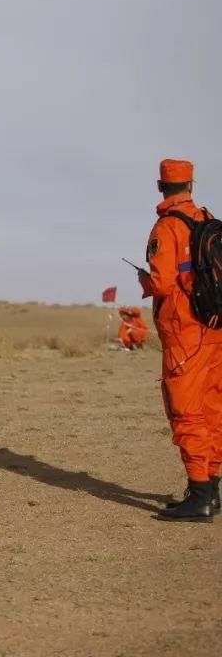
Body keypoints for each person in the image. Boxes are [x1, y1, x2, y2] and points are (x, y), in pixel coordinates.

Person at [138, 158, 222, 521]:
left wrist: (144, 280)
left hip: (185, 332)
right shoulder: (206, 220)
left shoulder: (167, 227)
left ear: (160, 186)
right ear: (191, 184)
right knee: (213, 408)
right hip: (215, 326)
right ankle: (213, 489)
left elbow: (161, 282)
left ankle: (199, 494)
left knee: (186, 411)